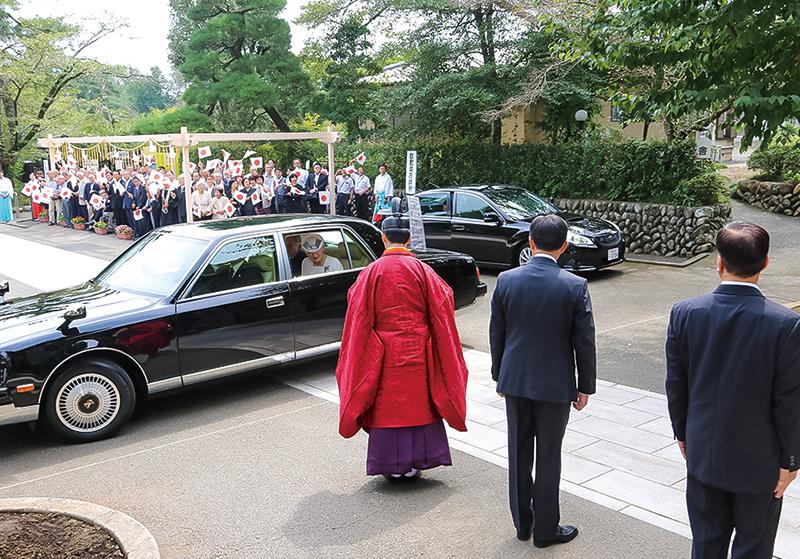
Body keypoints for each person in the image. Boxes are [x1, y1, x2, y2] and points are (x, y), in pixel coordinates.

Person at [666, 221, 800, 559]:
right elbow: (790, 400)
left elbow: (676, 384)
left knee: (706, 544)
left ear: (719, 262)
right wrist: (792, 460)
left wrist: (683, 434)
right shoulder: (786, 324)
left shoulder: (684, 313)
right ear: (766, 263)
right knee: (754, 548)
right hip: (761, 463)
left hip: (704, 455)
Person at [336, 201, 468, 480]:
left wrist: (364, 354)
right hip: (419, 352)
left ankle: (391, 467)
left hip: (383, 354)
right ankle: (419, 461)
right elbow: (443, 307)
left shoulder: (370, 273)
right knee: (420, 403)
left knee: (388, 408)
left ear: (384, 238)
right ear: (408, 239)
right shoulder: (424, 271)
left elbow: (358, 318)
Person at [490, 214, 596, 548]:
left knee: (519, 452)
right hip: (555, 385)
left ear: (531, 242)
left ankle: (523, 523)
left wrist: (499, 374)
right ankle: (547, 530)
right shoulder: (574, 285)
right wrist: (585, 385)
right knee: (549, 454)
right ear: (564, 247)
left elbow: (498, 333)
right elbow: (584, 339)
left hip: (516, 380)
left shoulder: (506, 280)